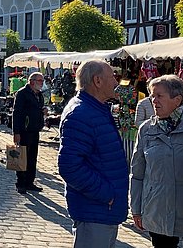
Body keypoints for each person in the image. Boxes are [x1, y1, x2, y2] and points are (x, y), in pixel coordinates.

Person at [58, 60, 128, 248]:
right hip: (95, 210)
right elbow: (70, 167)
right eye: (112, 77)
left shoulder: (94, 109)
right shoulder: (82, 113)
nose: (116, 82)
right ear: (97, 81)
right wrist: (107, 194)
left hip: (102, 210)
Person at [130, 75, 183, 248]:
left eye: (159, 96)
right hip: (158, 211)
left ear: (177, 100)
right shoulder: (147, 129)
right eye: (151, 96)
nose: (153, 101)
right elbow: (137, 173)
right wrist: (136, 209)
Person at [11, 72, 45, 194]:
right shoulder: (22, 93)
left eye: (42, 81)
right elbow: (17, 113)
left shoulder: (39, 95)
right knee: (21, 157)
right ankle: (20, 183)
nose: (42, 83)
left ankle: (30, 182)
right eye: (40, 81)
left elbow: (37, 109)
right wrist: (16, 132)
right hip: (24, 131)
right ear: (32, 82)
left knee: (32, 158)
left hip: (35, 130)